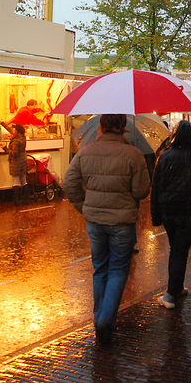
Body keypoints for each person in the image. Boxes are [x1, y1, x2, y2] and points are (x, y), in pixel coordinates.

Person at [62, 114, 151, 343]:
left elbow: (69, 182)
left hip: (95, 221)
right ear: (124, 128)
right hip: (122, 222)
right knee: (118, 270)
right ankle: (105, 320)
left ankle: (100, 318)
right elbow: (141, 191)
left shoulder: (85, 152)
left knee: (99, 268)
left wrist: (85, 207)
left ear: (100, 127)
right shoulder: (134, 154)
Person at [150, 120, 191, 309]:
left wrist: (156, 215)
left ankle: (174, 288)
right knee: (180, 251)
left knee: (176, 249)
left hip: (168, 210)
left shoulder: (165, 157)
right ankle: (172, 292)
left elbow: (156, 187)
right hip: (187, 211)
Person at [0, 122, 28, 206]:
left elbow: (13, 153)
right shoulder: (22, 137)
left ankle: (16, 201)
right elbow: (10, 130)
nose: (13, 130)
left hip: (16, 163)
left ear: (17, 131)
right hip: (23, 161)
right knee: (24, 181)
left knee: (15, 181)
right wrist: (2, 123)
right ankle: (26, 200)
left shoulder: (16, 141)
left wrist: (4, 148)